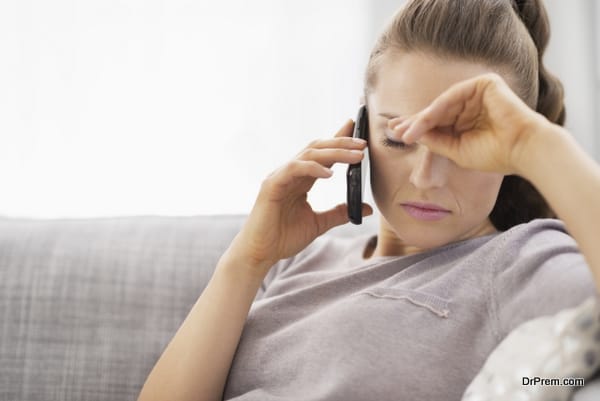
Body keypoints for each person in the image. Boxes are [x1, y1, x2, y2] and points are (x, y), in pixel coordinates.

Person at [138, 0, 600, 400]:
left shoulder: (519, 263)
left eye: (463, 147)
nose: (426, 178)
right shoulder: (300, 260)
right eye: (397, 138)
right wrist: (246, 260)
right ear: (362, 130)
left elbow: (560, 379)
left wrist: (538, 145)